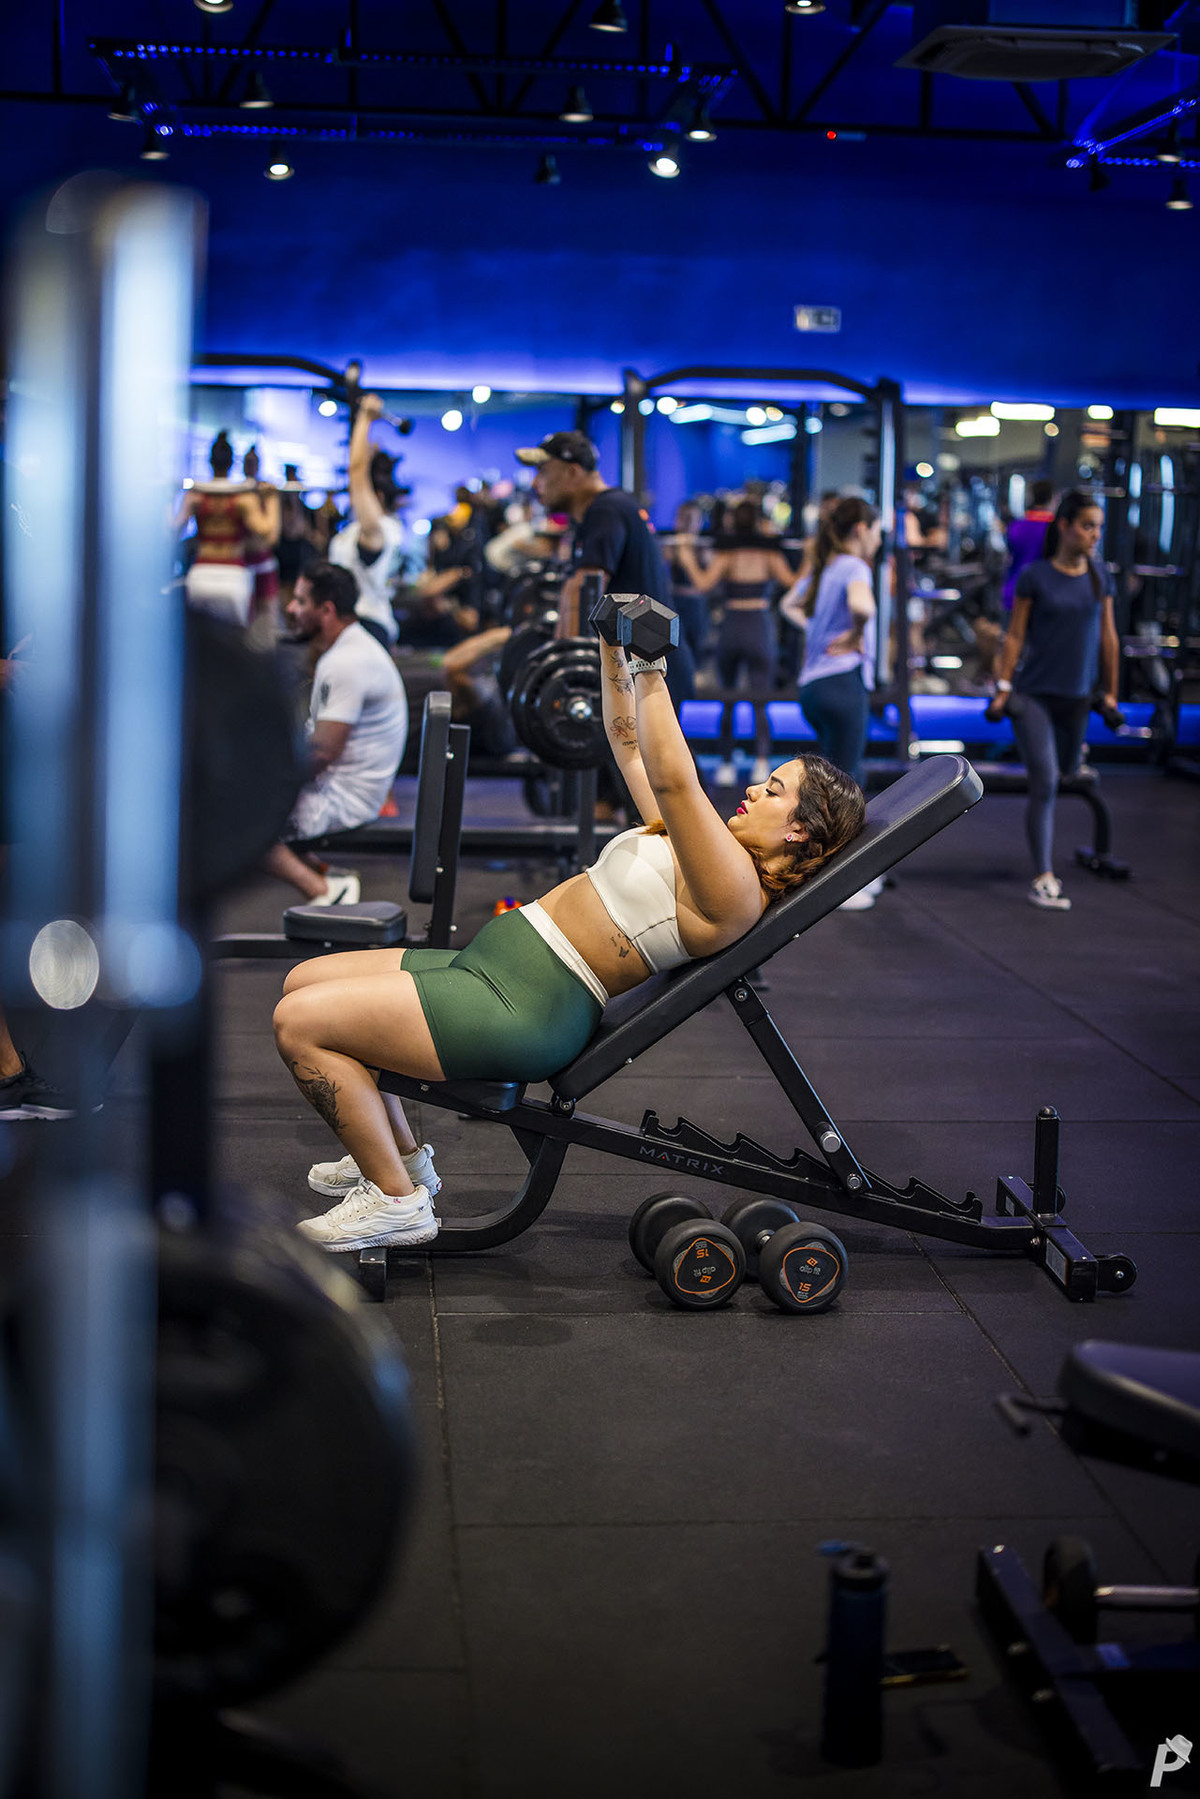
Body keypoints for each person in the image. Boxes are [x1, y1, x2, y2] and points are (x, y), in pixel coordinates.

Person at [272, 614, 865, 1253]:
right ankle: (402, 1161)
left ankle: (397, 1202)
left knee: (301, 1024)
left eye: (772, 791)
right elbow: (630, 746)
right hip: (494, 967)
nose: (751, 789)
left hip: (529, 1005)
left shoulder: (735, 889)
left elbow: (674, 777)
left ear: (799, 830)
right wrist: (613, 647)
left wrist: (652, 664)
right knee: (304, 980)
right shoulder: (709, 850)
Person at [986, 491, 1119, 912]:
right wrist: (1003, 686)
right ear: (1064, 526)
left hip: (1078, 698)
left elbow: (1108, 637)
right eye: (1087, 525)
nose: (1095, 534)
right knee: (1045, 782)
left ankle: (1074, 755)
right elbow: (1015, 635)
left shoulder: (1099, 577)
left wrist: (1112, 692)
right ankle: (1043, 877)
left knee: (1066, 773)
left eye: (1099, 527)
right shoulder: (1036, 576)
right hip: (1034, 696)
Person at [262, 561, 409, 905]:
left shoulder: (346, 662)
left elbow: (322, 753)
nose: (291, 608)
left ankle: (323, 891)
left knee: (233, 819)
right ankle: (330, 876)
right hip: (346, 788)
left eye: (301, 601)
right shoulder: (351, 648)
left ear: (326, 610)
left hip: (346, 801)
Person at [515, 431, 695, 711]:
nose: (536, 483)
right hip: (641, 670)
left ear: (572, 472)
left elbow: (583, 590)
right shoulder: (601, 511)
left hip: (649, 675)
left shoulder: (606, 510)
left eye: (543, 471)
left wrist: (561, 674)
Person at [782, 497, 882, 912]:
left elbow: (787, 605)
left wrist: (818, 631)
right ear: (861, 529)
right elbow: (863, 606)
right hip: (842, 683)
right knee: (849, 789)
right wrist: (856, 634)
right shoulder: (855, 566)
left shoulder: (825, 568)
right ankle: (845, 883)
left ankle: (823, 870)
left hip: (814, 688)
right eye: (877, 531)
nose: (879, 540)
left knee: (834, 786)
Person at [674, 498, 798, 784]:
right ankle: (761, 763)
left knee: (728, 699)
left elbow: (702, 584)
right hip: (758, 626)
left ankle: (727, 764)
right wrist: (813, 558)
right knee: (760, 699)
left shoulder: (727, 554)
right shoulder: (768, 554)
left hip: (733, 625)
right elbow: (793, 582)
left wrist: (686, 555)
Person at [328, 394, 410, 647]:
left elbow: (356, 473)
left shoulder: (379, 530)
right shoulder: (357, 531)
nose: (355, 495)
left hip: (368, 627)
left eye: (361, 491)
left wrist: (364, 419)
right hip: (352, 625)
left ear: (378, 496)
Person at [176, 431, 279, 627]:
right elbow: (267, 532)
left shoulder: (196, 496)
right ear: (232, 463)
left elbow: (174, 530)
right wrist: (272, 499)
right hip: (232, 575)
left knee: (198, 635)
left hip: (201, 573)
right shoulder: (243, 498)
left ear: (209, 461)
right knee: (234, 637)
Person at [1002, 477, 1056, 612]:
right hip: (1045, 596)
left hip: (1014, 593)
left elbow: (1009, 556)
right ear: (1051, 498)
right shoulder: (1056, 529)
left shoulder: (1015, 526)